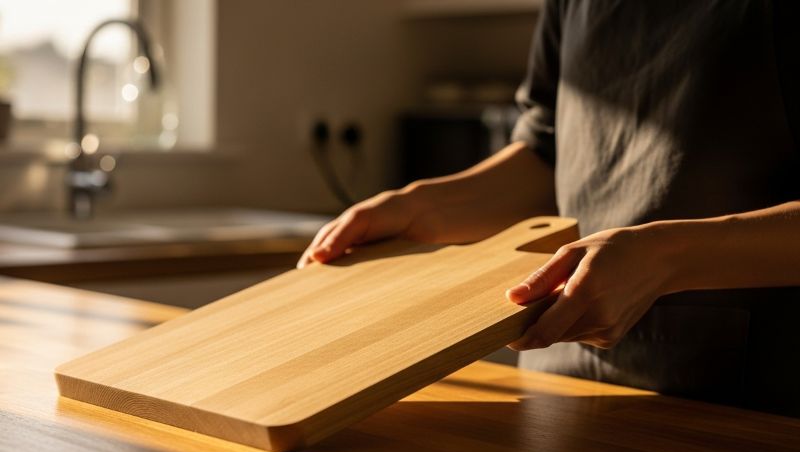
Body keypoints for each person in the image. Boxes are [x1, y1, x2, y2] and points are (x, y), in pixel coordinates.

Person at [299, 1, 800, 415]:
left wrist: (671, 257)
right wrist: (425, 208)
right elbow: (549, 152)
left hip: (747, 405)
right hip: (561, 384)